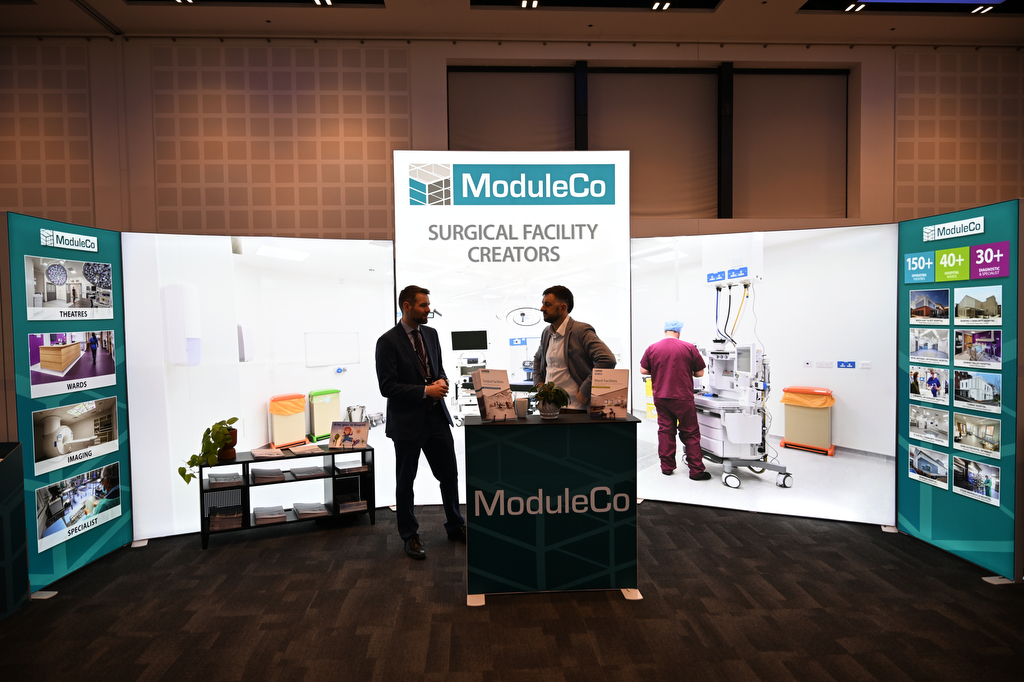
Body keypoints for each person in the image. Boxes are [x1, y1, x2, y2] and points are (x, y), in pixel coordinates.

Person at [375, 285, 466, 560]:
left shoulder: (431, 334)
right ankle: (410, 535)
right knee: (406, 482)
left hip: (436, 418)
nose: (428, 309)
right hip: (407, 423)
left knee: (449, 475)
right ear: (407, 307)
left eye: (428, 304)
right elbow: (387, 386)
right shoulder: (387, 341)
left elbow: (438, 368)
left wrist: (442, 380)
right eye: (423, 305)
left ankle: (455, 525)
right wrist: (425, 391)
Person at [639, 320, 710, 480]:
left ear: (665, 331)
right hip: (682, 397)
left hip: (661, 396)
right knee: (690, 432)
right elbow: (700, 373)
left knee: (665, 430)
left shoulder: (652, 348)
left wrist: (658, 370)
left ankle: (667, 467)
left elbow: (643, 370)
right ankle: (696, 471)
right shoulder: (688, 347)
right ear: (678, 332)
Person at [532, 285, 616, 413]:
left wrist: (585, 390)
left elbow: (607, 359)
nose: (542, 308)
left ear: (563, 308)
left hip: (575, 409)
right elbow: (538, 359)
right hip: (549, 408)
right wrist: (539, 384)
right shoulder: (547, 332)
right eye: (542, 304)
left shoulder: (581, 331)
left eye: (547, 304)